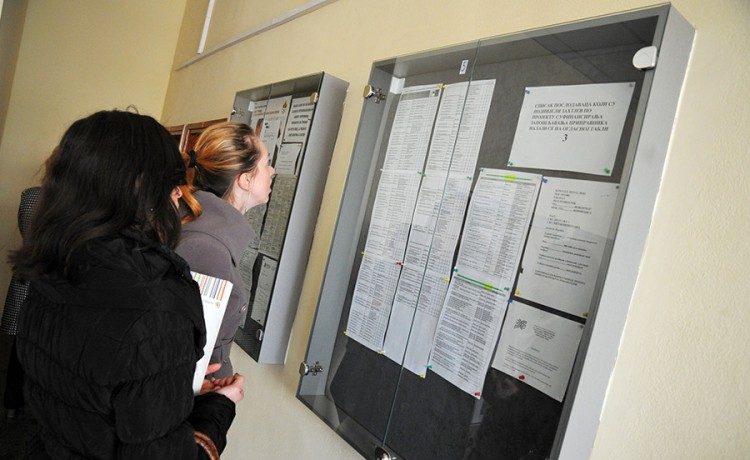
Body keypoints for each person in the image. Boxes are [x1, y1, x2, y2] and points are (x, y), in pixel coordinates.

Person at [11, 110, 244, 458]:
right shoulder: (157, 300)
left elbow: (90, 391)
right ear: (144, 192)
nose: (179, 199)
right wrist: (217, 407)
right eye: (173, 188)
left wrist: (171, 382)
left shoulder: (51, 265)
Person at [176, 122, 275, 378]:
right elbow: (179, 356)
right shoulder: (206, 249)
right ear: (245, 179)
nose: (272, 171)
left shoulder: (204, 232)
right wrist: (218, 396)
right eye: (266, 163)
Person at [1, 186, 40, 418]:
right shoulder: (77, 201)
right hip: (48, 283)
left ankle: (11, 405)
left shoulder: (31, 196)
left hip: (27, 275)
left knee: (18, 349)